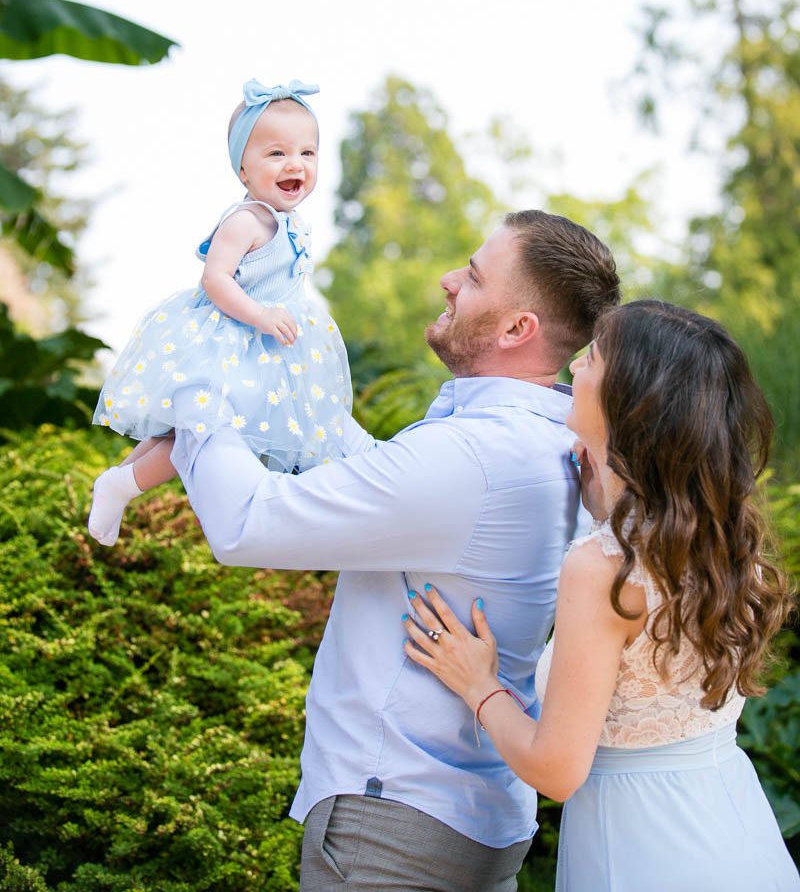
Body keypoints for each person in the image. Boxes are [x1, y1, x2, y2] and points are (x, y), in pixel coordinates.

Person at [168, 209, 621, 892]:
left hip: (392, 829)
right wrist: (300, 387)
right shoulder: (535, 442)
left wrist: (196, 391)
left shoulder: (471, 455)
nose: (447, 280)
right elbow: (395, 483)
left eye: (471, 276)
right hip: (463, 815)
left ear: (516, 328)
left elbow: (246, 524)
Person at [402, 300, 798, 892]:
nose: (574, 367)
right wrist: (606, 505)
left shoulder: (603, 568)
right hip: (736, 830)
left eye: (591, 358)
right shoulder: (715, 542)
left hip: (644, 851)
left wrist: (478, 684)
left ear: (627, 400)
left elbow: (556, 771)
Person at [88, 78, 352, 546]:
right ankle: (122, 485)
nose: (295, 164)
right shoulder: (245, 220)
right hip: (227, 344)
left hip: (266, 354)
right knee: (195, 435)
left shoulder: (292, 223)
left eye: (307, 153)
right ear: (243, 170)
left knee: (181, 434)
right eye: (276, 154)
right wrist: (261, 316)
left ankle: (116, 483)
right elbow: (215, 280)